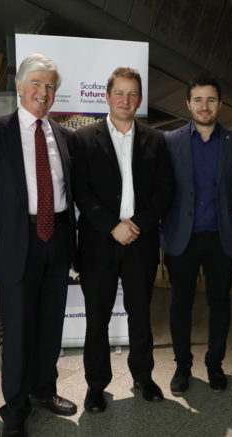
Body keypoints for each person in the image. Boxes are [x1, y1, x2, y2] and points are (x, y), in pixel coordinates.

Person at [0, 53, 77, 437]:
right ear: (20, 87)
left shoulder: (61, 135)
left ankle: (44, 390)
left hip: (57, 237)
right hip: (18, 242)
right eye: (37, 84)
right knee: (17, 332)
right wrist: (9, 229)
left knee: (50, 325)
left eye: (50, 86)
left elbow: (67, 189)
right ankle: (14, 410)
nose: (44, 92)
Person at [73, 67, 175, 411]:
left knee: (140, 315)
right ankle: (96, 386)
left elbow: (164, 190)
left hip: (140, 242)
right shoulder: (84, 138)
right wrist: (111, 225)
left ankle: (143, 378)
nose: (126, 100)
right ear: (107, 95)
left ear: (140, 100)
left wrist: (138, 225)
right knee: (97, 318)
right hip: (98, 243)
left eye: (133, 94)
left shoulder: (155, 140)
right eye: (120, 93)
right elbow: (81, 192)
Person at [161, 74, 232, 395]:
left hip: (220, 239)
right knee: (180, 305)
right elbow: (164, 188)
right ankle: (182, 367)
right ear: (187, 104)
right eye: (198, 99)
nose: (204, 106)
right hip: (181, 239)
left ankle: (215, 365)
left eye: (211, 99)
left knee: (220, 305)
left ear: (220, 104)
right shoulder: (170, 142)